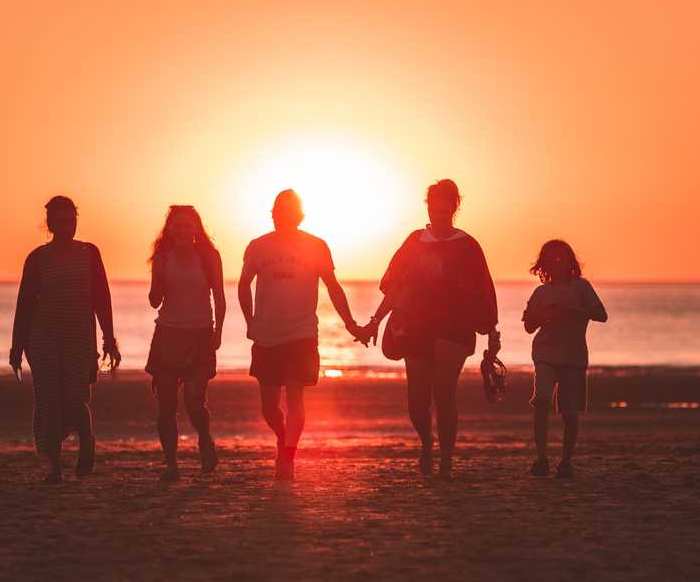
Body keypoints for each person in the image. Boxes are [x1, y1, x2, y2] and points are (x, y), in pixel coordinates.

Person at [361, 179, 499, 478]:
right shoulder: (415, 241)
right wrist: (375, 320)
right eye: (433, 201)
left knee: (444, 391)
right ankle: (427, 442)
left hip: (455, 327)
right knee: (417, 400)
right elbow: (395, 288)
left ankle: (446, 459)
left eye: (444, 202)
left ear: (454, 205)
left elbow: (482, 290)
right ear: (428, 204)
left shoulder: (467, 246)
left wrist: (491, 332)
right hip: (415, 325)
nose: (438, 208)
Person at [238, 189, 365, 481]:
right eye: (277, 211)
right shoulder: (258, 246)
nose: (282, 216)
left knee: (295, 397)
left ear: (300, 216)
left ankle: (288, 456)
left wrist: (349, 323)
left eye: (288, 211)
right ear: (272, 214)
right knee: (269, 407)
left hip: (301, 333)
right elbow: (244, 285)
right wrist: (250, 321)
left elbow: (333, 286)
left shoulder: (316, 246)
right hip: (267, 335)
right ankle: (283, 437)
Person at [10, 196, 121, 483]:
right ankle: (54, 465)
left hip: (79, 337)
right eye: (62, 221)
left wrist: (110, 339)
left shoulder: (89, 253)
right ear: (50, 224)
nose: (68, 225)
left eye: (72, 220)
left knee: (75, 398)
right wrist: (16, 347)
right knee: (47, 399)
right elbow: (24, 305)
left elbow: (102, 298)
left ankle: (86, 439)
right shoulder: (37, 258)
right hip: (43, 338)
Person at [145, 205, 225, 480]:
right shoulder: (162, 257)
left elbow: (220, 297)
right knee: (166, 404)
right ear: (170, 230)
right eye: (177, 226)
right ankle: (171, 465)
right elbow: (154, 300)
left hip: (200, 334)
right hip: (168, 334)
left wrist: (218, 331)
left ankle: (205, 438)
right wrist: (159, 280)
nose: (182, 231)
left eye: (187, 226)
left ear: (195, 229)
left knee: (194, 401)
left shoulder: (209, 256)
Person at [521, 239, 607, 478]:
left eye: (561, 259)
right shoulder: (541, 292)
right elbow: (528, 325)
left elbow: (601, 315)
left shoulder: (581, 288)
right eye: (551, 259)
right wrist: (544, 315)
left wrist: (575, 311)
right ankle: (541, 458)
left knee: (569, 413)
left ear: (570, 261)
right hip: (545, 354)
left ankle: (566, 461)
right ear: (543, 264)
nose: (556, 263)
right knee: (541, 402)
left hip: (573, 356)